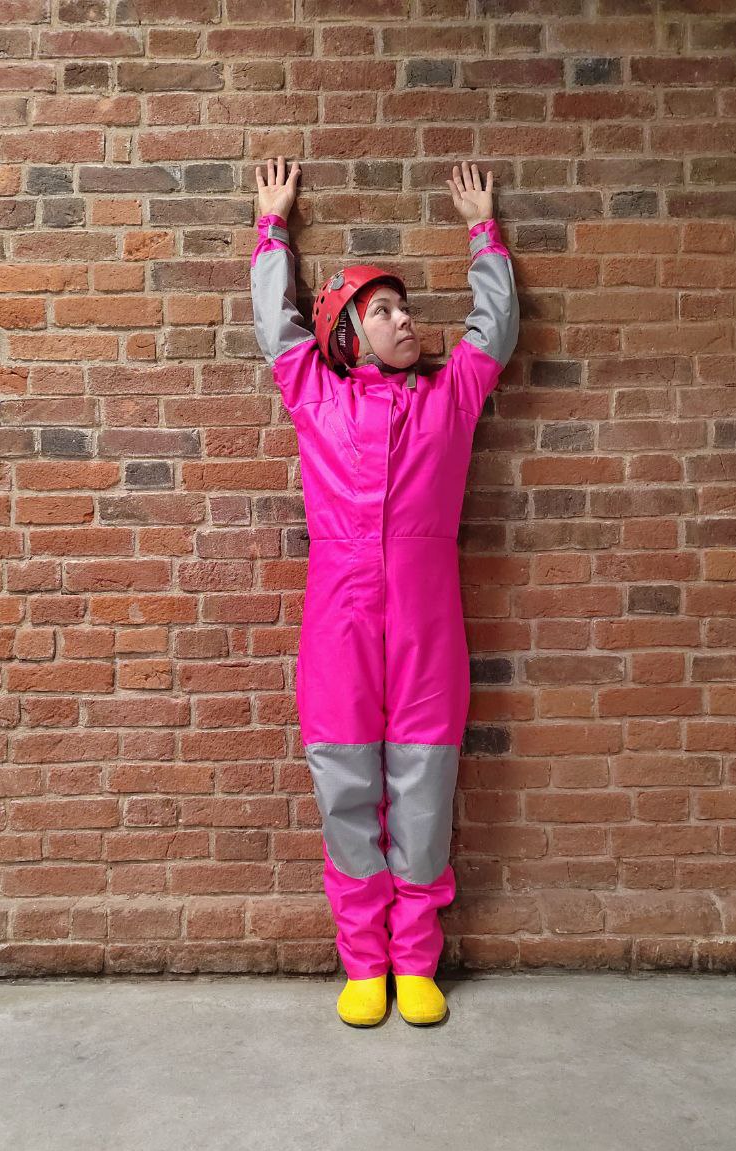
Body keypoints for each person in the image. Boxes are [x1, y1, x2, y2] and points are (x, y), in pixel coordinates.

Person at [250, 156, 519, 1028]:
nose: (407, 321)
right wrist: (272, 229)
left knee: (424, 790)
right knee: (346, 789)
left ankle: (415, 961)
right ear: (348, 335)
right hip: (339, 622)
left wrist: (484, 234)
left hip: (427, 627)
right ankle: (363, 961)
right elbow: (277, 327)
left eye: (405, 309)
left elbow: (494, 331)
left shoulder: (450, 399)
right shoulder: (314, 396)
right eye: (386, 312)